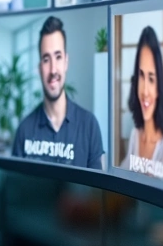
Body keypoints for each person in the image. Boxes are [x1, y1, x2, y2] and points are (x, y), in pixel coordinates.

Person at [10, 16, 105, 168]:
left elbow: (96, 191)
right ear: (40, 67)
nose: (53, 69)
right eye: (46, 59)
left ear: (66, 62)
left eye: (58, 57)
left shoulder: (89, 126)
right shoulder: (24, 130)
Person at [119, 25, 163, 183]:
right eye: (141, 76)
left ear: (159, 88)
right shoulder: (135, 135)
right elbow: (120, 178)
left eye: (151, 78)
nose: (145, 91)